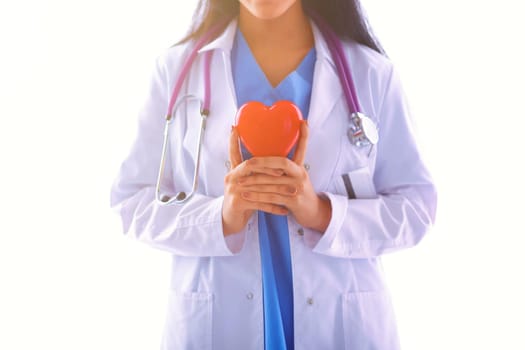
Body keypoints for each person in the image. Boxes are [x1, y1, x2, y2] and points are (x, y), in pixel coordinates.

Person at [110, 0, 437, 348]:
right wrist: (220, 218)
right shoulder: (176, 71)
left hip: (341, 326)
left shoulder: (371, 74)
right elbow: (131, 203)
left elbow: (416, 207)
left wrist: (322, 213)